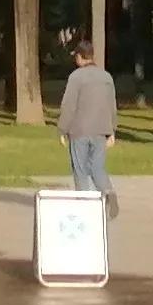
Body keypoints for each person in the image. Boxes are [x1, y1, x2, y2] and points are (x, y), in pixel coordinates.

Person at [56, 29, 117, 208]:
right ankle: (108, 192)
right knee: (97, 167)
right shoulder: (106, 77)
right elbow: (111, 105)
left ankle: (85, 205)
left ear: (81, 57)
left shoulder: (76, 77)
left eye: (76, 56)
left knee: (80, 169)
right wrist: (112, 131)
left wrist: (62, 129)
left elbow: (69, 105)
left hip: (79, 130)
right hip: (100, 130)